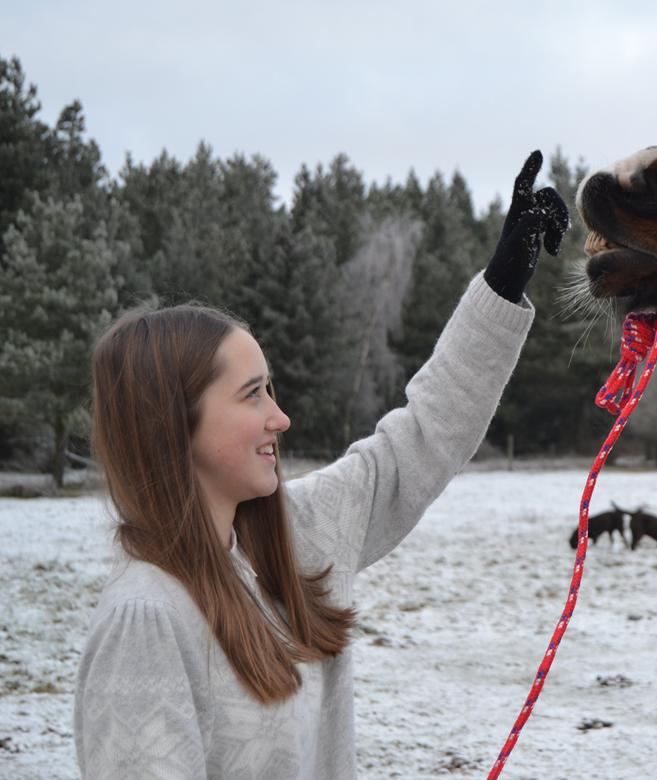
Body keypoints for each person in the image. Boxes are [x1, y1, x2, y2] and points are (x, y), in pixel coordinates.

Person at [74, 152, 569, 779]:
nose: (279, 419)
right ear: (175, 421)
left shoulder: (292, 535)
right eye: (253, 394)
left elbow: (419, 439)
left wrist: (501, 287)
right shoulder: (145, 619)